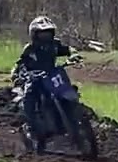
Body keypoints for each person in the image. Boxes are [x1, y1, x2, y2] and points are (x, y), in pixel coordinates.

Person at [11, 16, 80, 151]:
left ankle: (75, 118)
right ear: (34, 34)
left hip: (52, 76)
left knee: (71, 90)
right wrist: (17, 75)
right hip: (35, 79)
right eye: (42, 34)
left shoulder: (54, 45)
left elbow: (68, 49)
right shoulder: (30, 49)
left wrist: (74, 55)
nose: (46, 36)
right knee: (29, 97)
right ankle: (31, 127)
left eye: (48, 33)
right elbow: (20, 64)